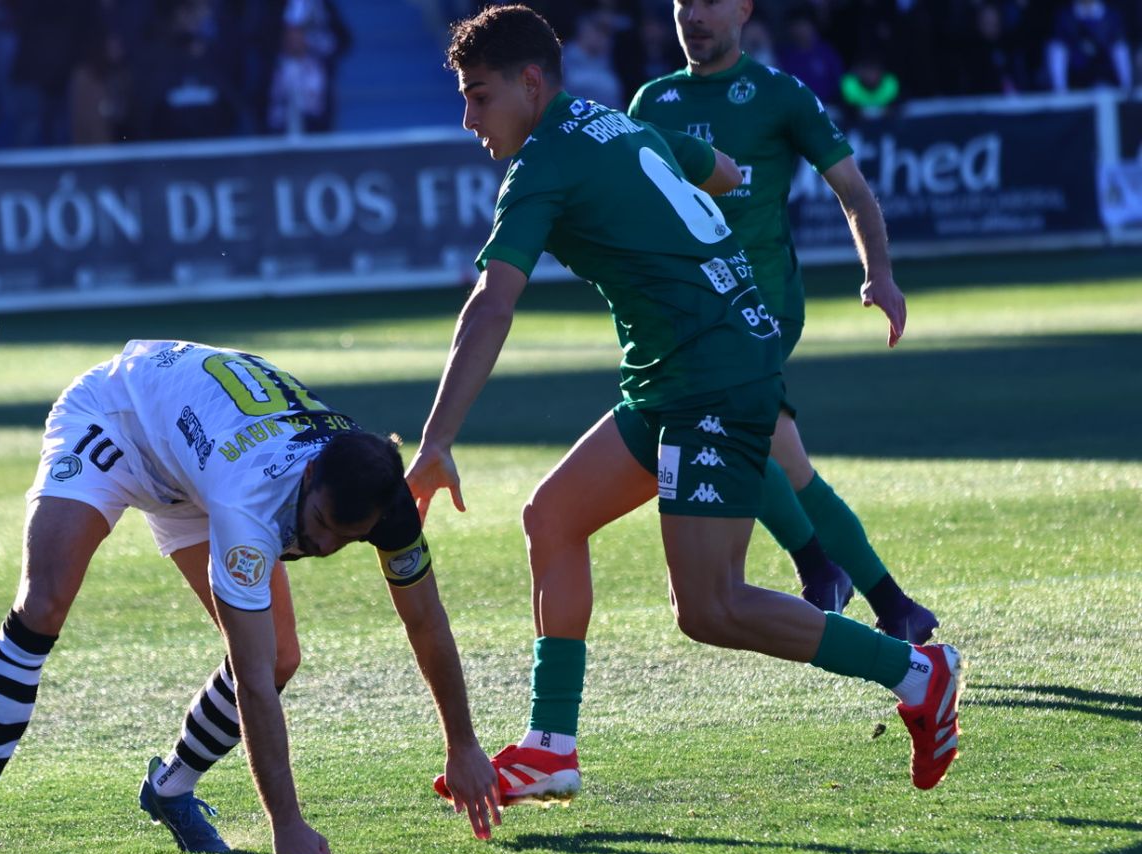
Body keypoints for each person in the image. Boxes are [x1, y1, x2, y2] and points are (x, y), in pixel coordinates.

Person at [405, 5, 963, 812]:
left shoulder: (544, 164)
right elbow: (703, 161)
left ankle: (918, 672)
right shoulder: (607, 121)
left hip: (716, 373)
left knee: (710, 606)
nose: (469, 119)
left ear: (531, 84)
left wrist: (437, 438)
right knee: (552, 517)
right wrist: (724, 177)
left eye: (479, 96)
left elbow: (492, 304)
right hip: (676, 371)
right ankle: (552, 748)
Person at [0, 339, 502, 854]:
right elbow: (247, 678)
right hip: (118, 422)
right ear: (310, 476)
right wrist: (287, 825)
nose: (321, 547)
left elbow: (425, 619)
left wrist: (463, 743)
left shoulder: (388, 503)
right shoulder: (250, 505)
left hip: (200, 461)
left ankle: (170, 788)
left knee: (281, 658)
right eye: (320, 524)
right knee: (43, 605)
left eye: (347, 538)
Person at [629, 0, 936, 641]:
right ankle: (879, 598)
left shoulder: (780, 96)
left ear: (743, 9)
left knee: (748, 443)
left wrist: (878, 272)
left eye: (711, 3)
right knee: (772, 453)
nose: (695, 16)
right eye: (685, 5)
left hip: (759, 307)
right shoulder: (651, 103)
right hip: (688, 318)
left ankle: (836, 575)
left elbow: (851, 188)